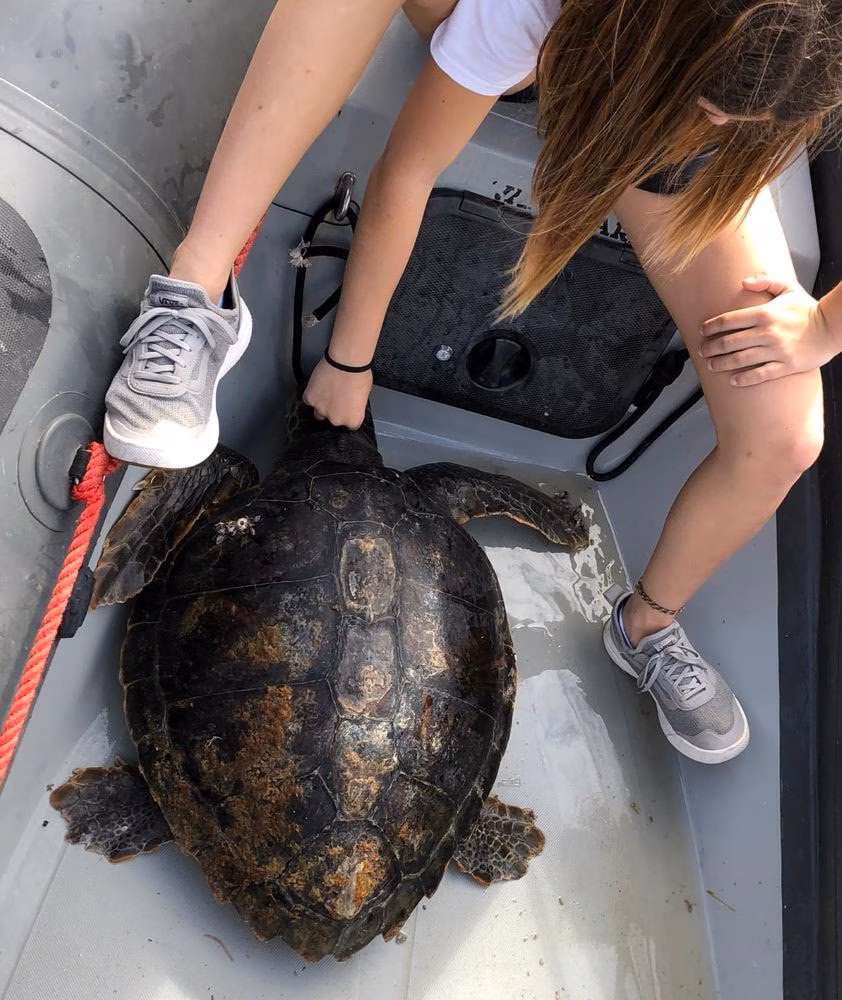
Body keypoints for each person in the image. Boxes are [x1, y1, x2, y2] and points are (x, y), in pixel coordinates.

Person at [102, 0, 842, 764]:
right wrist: (351, 360)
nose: (717, 126)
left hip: (659, 118)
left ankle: (645, 626)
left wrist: (822, 329)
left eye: (738, 120)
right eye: (715, 110)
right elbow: (409, 169)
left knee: (785, 435)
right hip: (581, 47)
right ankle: (195, 293)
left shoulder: (739, 101)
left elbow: (719, 114)